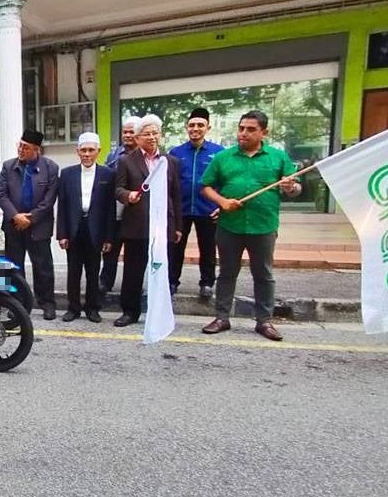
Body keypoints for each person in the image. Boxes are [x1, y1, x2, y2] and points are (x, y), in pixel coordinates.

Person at [200, 110, 301, 342]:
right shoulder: (223, 157)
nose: (244, 133)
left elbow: (295, 189)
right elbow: (205, 186)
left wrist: (289, 188)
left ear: (264, 132)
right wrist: (222, 202)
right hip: (229, 226)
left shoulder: (278, 157)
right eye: (241, 128)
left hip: (263, 226)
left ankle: (264, 321)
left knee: (263, 274)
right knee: (226, 273)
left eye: (251, 129)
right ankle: (222, 317)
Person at [113, 114, 182, 327]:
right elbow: (118, 189)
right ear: (138, 137)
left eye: (155, 133)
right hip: (137, 225)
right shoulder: (126, 161)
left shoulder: (169, 162)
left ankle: (159, 310)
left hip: (163, 226)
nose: (151, 138)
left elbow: (176, 196)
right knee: (133, 271)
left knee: (161, 269)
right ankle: (129, 312)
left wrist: (178, 226)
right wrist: (128, 196)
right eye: (146, 134)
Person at [0, 128, 60, 320]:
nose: (21, 150)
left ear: (36, 150)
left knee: (43, 267)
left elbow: (49, 200)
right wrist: (16, 216)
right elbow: (1, 195)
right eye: (20, 145)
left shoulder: (50, 168)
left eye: (26, 148)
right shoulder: (8, 166)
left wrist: (30, 218)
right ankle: (18, 305)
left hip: (38, 226)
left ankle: (47, 303)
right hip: (14, 226)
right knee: (14, 268)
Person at [56, 132, 114, 323]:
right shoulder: (67, 174)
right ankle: (73, 308)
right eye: (83, 150)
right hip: (74, 228)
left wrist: (108, 237)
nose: (87, 154)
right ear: (77, 151)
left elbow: (109, 209)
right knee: (73, 272)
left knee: (93, 271)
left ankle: (92, 308)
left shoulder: (107, 174)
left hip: (96, 230)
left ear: (98, 151)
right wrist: (62, 234)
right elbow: (62, 205)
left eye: (91, 150)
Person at [168, 107, 225, 299]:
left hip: (208, 209)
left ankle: (207, 283)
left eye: (200, 125)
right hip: (181, 209)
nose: (195, 129)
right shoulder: (175, 153)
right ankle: (172, 281)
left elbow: (225, 182)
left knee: (208, 248)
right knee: (176, 248)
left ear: (208, 128)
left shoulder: (219, 153)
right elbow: (170, 182)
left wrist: (220, 205)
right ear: (186, 128)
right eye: (192, 125)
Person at [99, 116, 143, 296]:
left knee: (136, 255)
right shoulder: (114, 155)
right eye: (125, 132)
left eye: (131, 132)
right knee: (110, 249)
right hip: (116, 209)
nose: (127, 135)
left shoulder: (145, 156)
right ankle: (105, 282)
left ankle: (133, 287)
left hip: (137, 211)